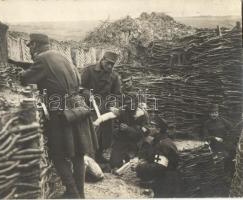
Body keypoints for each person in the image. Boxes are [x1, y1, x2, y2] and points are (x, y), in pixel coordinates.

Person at [19, 33, 98, 199]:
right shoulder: (61, 56)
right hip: (77, 105)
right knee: (77, 153)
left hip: (61, 110)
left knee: (57, 153)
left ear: (35, 45)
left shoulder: (42, 59)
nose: (30, 50)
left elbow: (25, 79)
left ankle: (72, 192)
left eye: (30, 46)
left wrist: (19, 72)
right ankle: (80, 194)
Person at [81, 51, 121, 162]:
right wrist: (87, 94)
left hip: (105, 109)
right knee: (92, 132)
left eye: (112, 64)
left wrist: (112, 104)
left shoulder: (114, 76)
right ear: (102, 60)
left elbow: (116, 94)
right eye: (108, 63)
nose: (110, 66)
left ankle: (99, 156)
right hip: (89, 107)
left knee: (105, 134)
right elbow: (79, 87)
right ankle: (89, 158)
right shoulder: (89, 70)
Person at [135, 116, 179, 197]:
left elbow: (159, 167)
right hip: (162, 179)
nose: (149, 128)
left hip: (166, 182)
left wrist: (140, 167)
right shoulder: (158, 141)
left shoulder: (163, 144)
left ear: (158, 129)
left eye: (152, 126)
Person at [109, 95, 150, 169]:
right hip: (122, 139)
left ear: (137, 103)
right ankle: (125, 156)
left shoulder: (143, 114)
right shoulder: (122, 110)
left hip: (136, 141)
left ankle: (131, 155)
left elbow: (146, 131)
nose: (130, 105)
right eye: (128, 104)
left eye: (132, 103)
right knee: (114, 163)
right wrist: (119, 128)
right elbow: (114, 124)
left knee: (134, 163)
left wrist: (129, 129)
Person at [201, 104, 235, 190]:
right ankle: (223, 179)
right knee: (223, 159)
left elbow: (232, 128)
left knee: (233, 155)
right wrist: (214, 138)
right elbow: (205, 136)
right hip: (214, 146)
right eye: (212, 113)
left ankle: (230, 176)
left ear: (218, 113)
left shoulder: (223, 120)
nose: (214, 114)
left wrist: (227, 137)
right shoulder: (207, 124)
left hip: (225, 144)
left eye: (215, 112)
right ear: (209, 114)